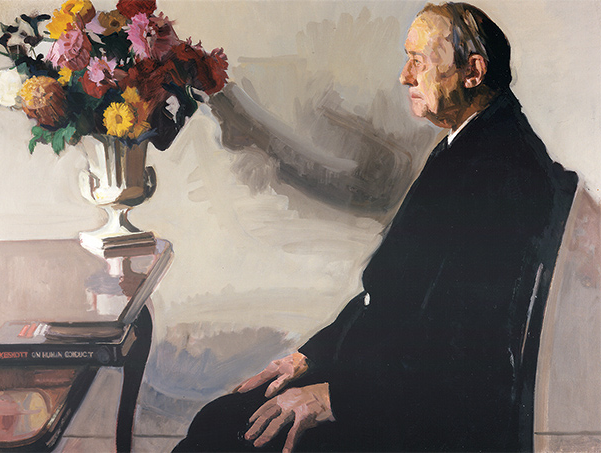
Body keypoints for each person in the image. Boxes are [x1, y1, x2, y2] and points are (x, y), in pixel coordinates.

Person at [173, 2, 577, 451]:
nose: (405, 77)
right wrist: (309, 358)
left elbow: (461, 348)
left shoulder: (501, 172)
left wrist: (335, 397)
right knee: (222, 419)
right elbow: (390, 296)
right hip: (390, 385)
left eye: (418, 61)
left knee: (222, 432)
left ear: (473, 72)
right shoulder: (475, 142)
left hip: (422, 418)